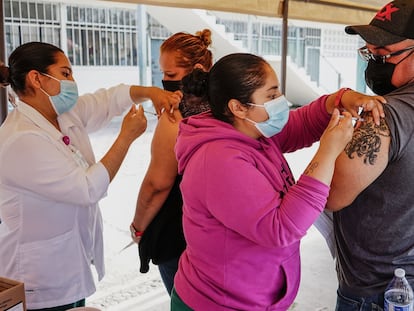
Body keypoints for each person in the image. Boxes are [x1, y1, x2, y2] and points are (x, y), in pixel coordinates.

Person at [170, 52, 386, 310]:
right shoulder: (218, 160)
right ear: (237, 107)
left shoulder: (251, 130)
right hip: (220, 303)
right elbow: (281, 227)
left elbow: (300, 124)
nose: (281, 102)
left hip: (253, 297)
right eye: (271, 96)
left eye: (279, 93)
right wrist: (328, 152)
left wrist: (339, 100)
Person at [0, 41, 180, 311]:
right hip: (39, 277)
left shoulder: (59, 115)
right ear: (36, 78)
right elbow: (86, 189)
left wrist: (149, 92)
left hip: (68, 266)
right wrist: (126, 137)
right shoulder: (21, 139)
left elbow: (106, 100)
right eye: (65, 73)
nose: (72, 81)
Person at [325, 0, 414, 309]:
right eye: (369, 53)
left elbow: (327, 194)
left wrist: (331, 140)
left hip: (377, 293)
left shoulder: (385, 118)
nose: (373, 63)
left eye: (383, 55)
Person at [130, 29, 213, 295]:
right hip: (220, 233)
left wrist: (138, 226)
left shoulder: (175, 119)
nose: (164, 81)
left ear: (197, 69)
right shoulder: (229, 108)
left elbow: (157, 184)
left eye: (171, 75)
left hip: (178, 234)